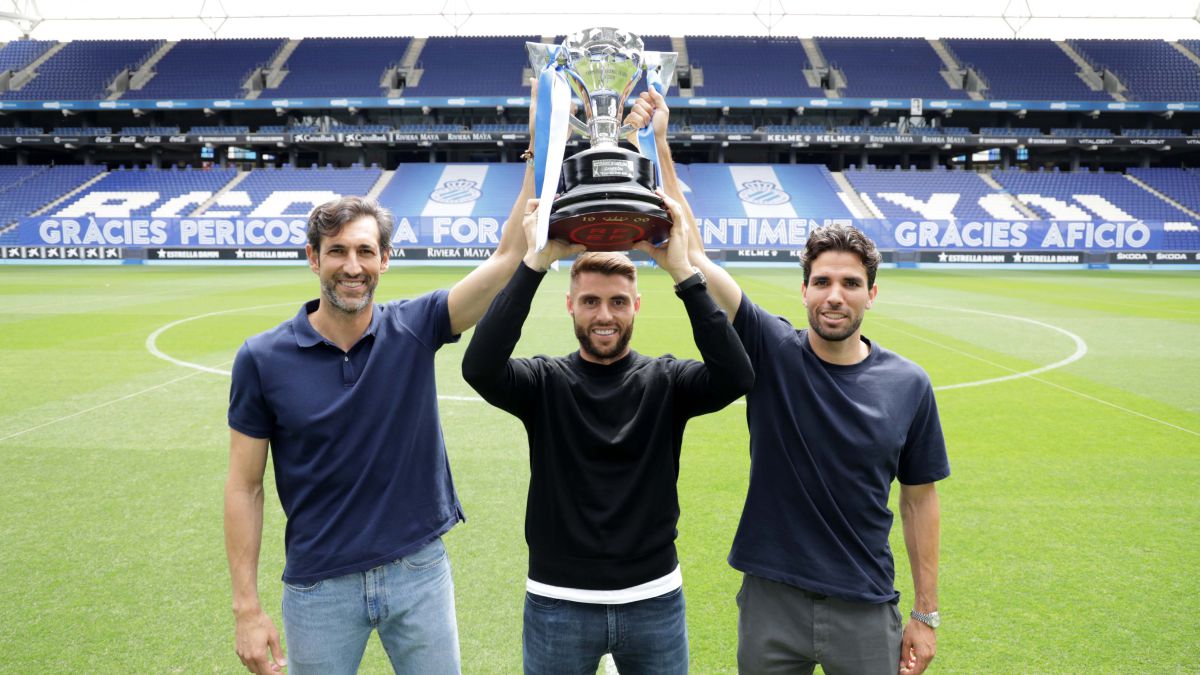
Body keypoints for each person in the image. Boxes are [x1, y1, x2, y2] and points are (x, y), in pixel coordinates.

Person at [630, 87, 949, 674]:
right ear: (803, 289)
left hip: (864, 604)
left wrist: (925, 615)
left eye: (850, 283)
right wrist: (659, 142)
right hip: (771, 599)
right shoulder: (773, 348)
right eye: (822, 281)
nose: (835, 295)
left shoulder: (910, 384)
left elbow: (920, 500)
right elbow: (694, 254)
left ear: (871, 295)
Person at [223, 183, 531, 672]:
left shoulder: (416, 325)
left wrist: (538, 153)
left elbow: (510, 257)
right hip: (318, 586)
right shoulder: (261, 359)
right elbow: (244, 486)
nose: (352, 266)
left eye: (365, 251)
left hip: (418, 571)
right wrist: (247, 609)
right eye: (337, 251)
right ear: (312, 258)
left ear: (384, 259)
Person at [460, 192, 754, 674]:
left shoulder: (667, 381)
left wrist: (683, 272)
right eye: (591, 302)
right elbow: (480, 367)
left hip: (653, 599)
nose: (604, 316)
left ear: (636, 305)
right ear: (570, 306)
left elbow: (736, 377)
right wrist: (536, 262)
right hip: (558, 602)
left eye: (618, 302)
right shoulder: (544, 382)